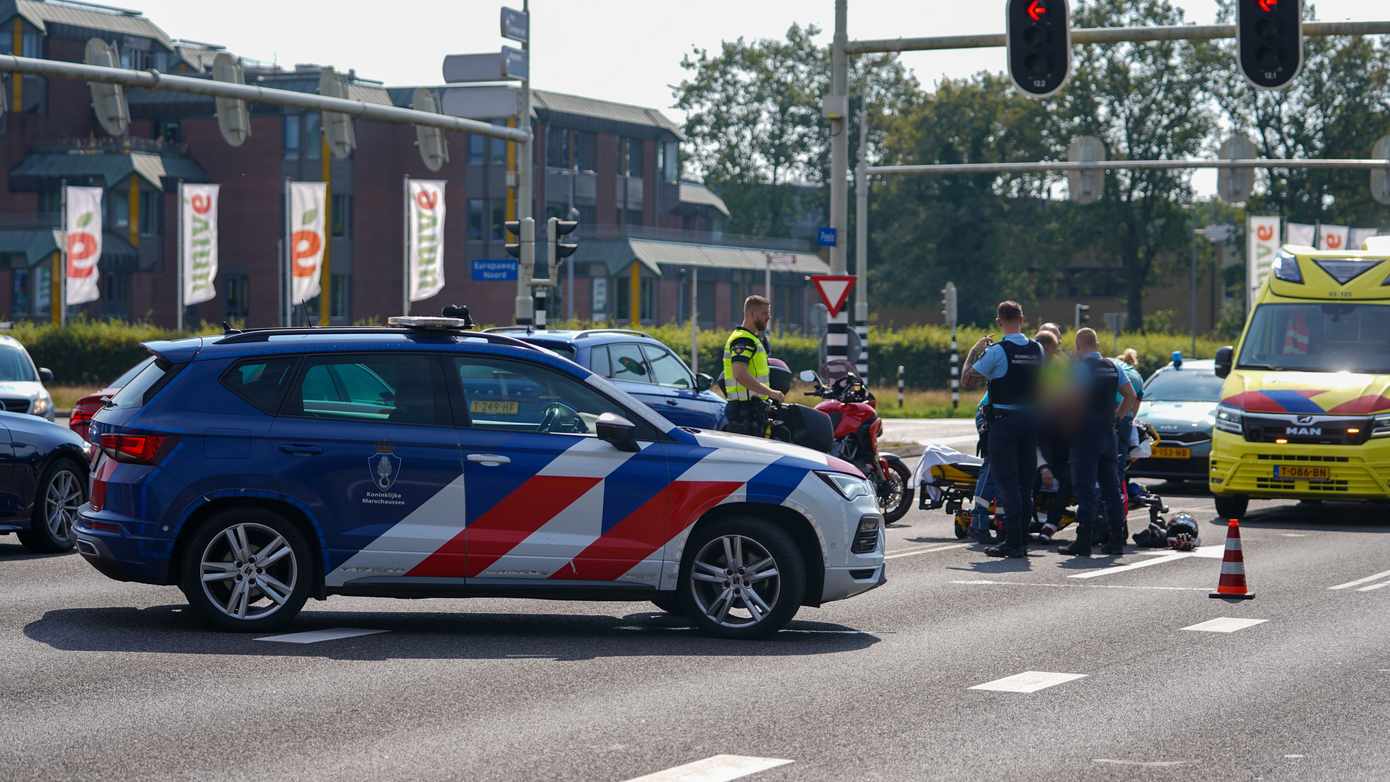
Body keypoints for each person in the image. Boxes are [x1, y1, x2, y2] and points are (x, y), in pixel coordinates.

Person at [962, 301, 1044, 559]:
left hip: (1004, 423)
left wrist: (973, 352)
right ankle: (1022, 539)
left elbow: (967, 379)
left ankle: (1013, 542)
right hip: (1031, 421)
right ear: (1022, 318)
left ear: (999, 321)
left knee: (1007, 482)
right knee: (1025, 483)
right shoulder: (1037, 349)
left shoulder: (998, 351)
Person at [1059, 328, 1138, 558]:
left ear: (1078, 346)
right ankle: (1116, 541)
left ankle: (1083, 542)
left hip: (1085, 435)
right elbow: (1130, 396)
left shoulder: (1080, 369)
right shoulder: (1113, 367)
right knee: (1111, 489)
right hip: (1107, 433)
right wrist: (1117, 417)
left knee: (1085, 490)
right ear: (1096, 343)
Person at [720, 295, 783, 437]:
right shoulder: (743, 340)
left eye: (769, 313)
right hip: (744, 411)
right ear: (751, 314)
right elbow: (740, 374)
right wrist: (770, 392)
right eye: (764, 313)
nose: (769, 317)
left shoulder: (752, 338)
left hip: (750, 410)